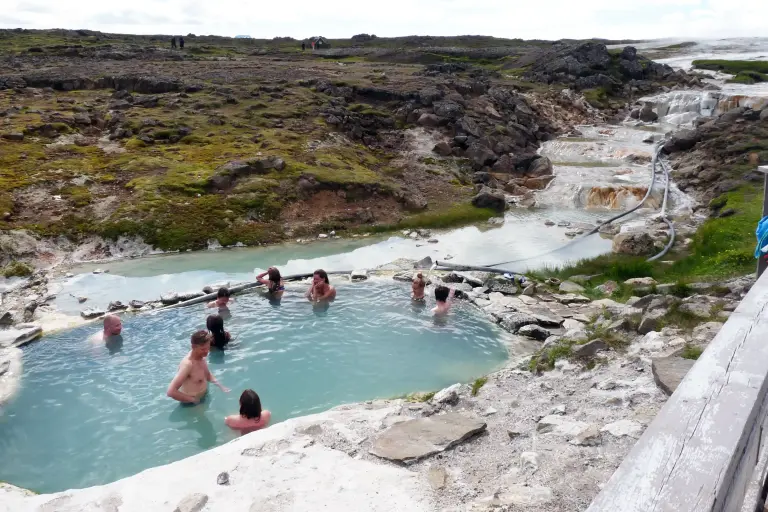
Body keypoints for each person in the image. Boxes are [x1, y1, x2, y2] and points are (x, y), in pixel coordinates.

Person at [167, 330, 229, 404]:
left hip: (203, 398)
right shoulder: (187, 364)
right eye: (203, 349)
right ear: (193, 347)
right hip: (192, 404)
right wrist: (193, 400)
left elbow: (207, 375)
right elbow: (171, 392)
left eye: (208, 348)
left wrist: (220, 386)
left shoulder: (202, 356)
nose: (206, 351)